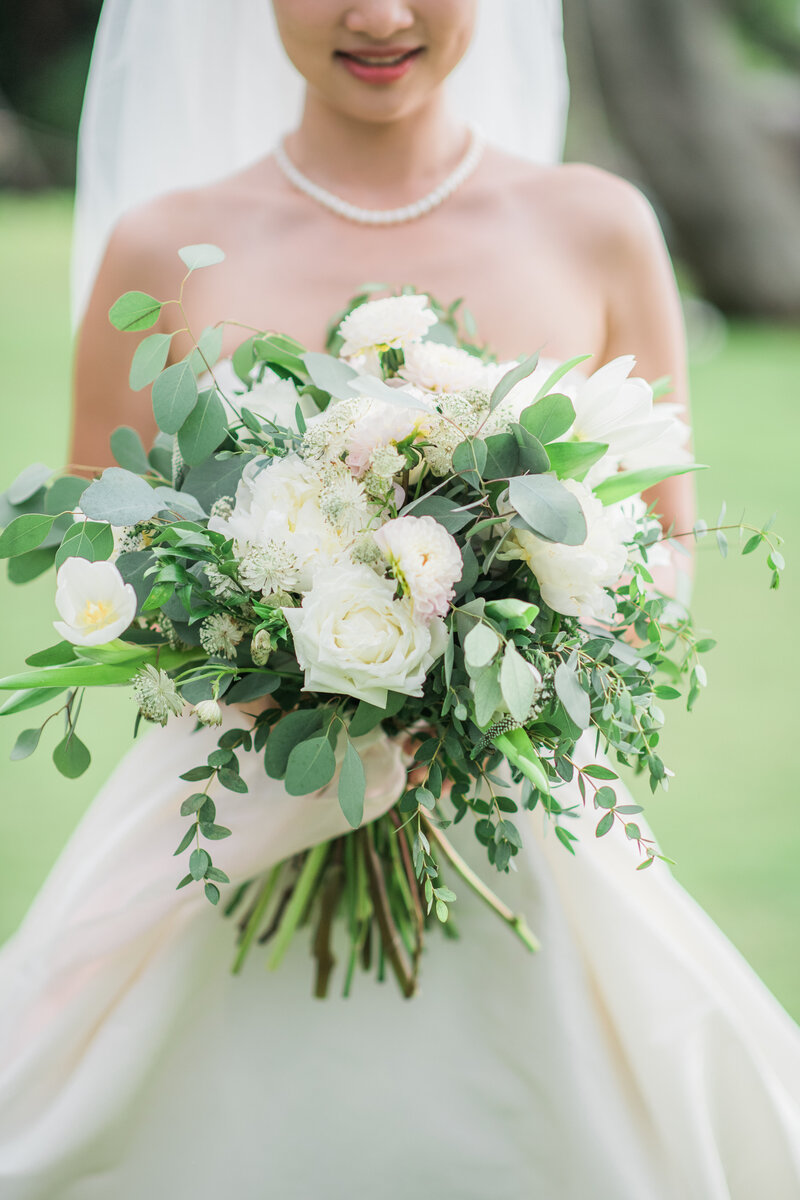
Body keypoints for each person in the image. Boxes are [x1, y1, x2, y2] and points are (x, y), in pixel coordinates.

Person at [0, 2, 798, 1197]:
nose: (378, 16)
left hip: (521, 827)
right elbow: (97, 544)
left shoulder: (593, 224)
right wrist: (275, 643)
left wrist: (520, 634)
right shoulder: (163, 245)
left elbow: (665, 541)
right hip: (232, 818)